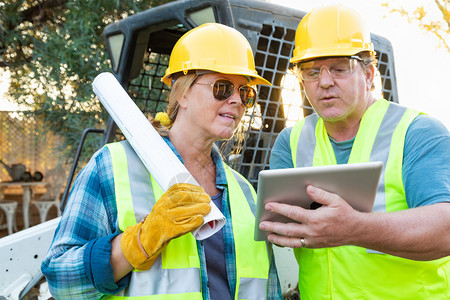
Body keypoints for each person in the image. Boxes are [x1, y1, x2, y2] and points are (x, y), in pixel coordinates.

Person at [42, 23, 282, 299]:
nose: (237, 100)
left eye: (246, 93)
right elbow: (60, 280)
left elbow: (270, 288)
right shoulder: (111, 168)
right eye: (223, 87)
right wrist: (138, 243)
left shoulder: (246, 193)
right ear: (182, 93)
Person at [258, 4, 450, 299]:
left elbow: (445, 229)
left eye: (339, 68)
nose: (324, 82)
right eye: (311, 72)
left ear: (370, 74)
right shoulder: (290, 143)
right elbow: (279, 229)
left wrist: (354, 228)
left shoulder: (417, 132)